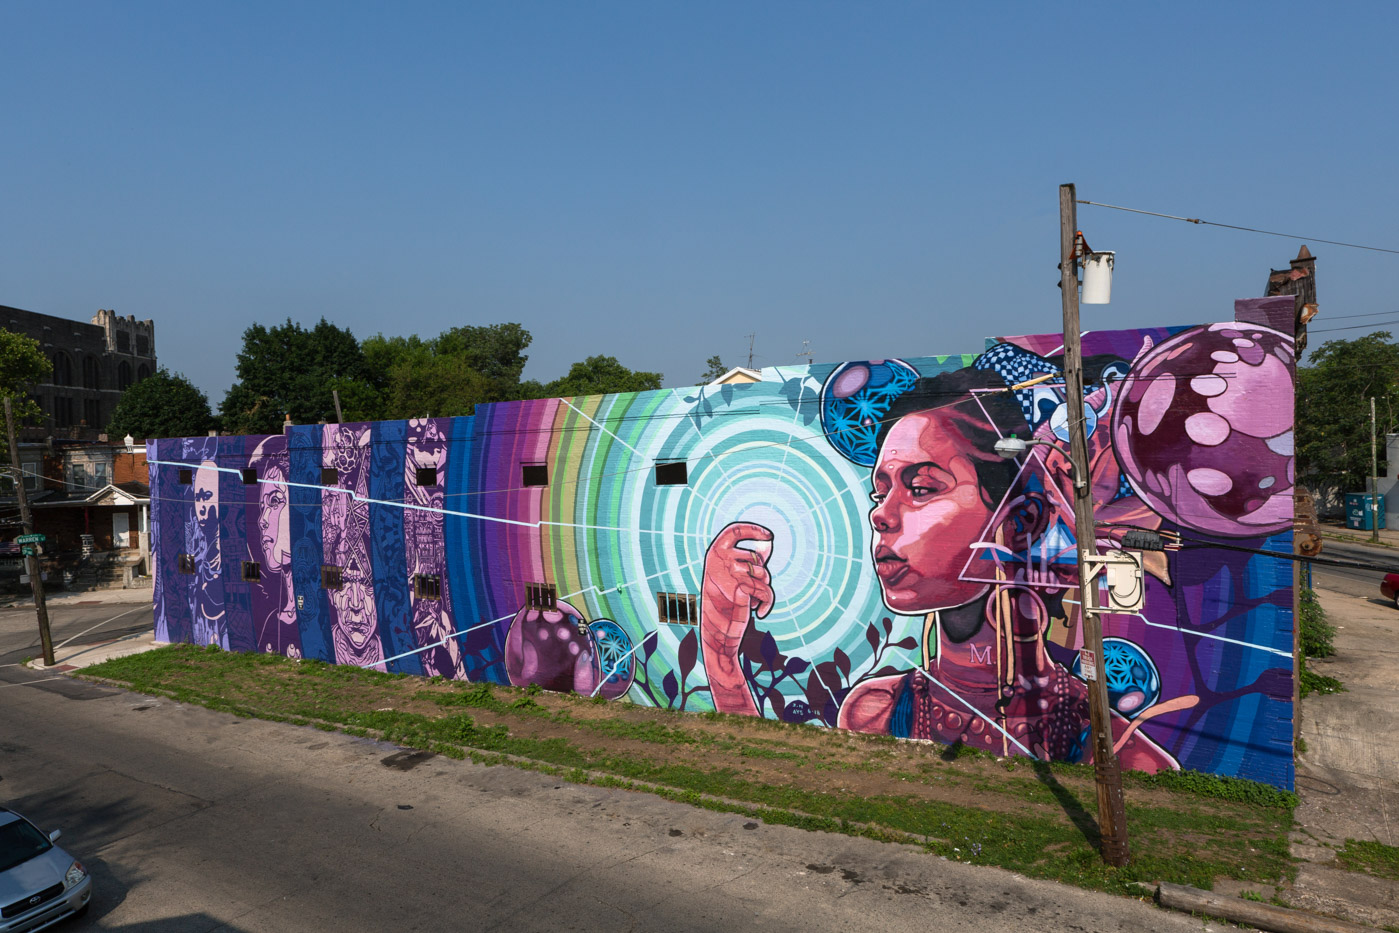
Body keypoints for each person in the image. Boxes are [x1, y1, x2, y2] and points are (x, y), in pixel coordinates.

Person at [700, 367, 1175, 771]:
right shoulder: (874, 711)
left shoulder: (1118, 752)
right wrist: (721, 654)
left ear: (1019, 522)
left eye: (922, 488)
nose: (880, 515)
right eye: (880, 492)